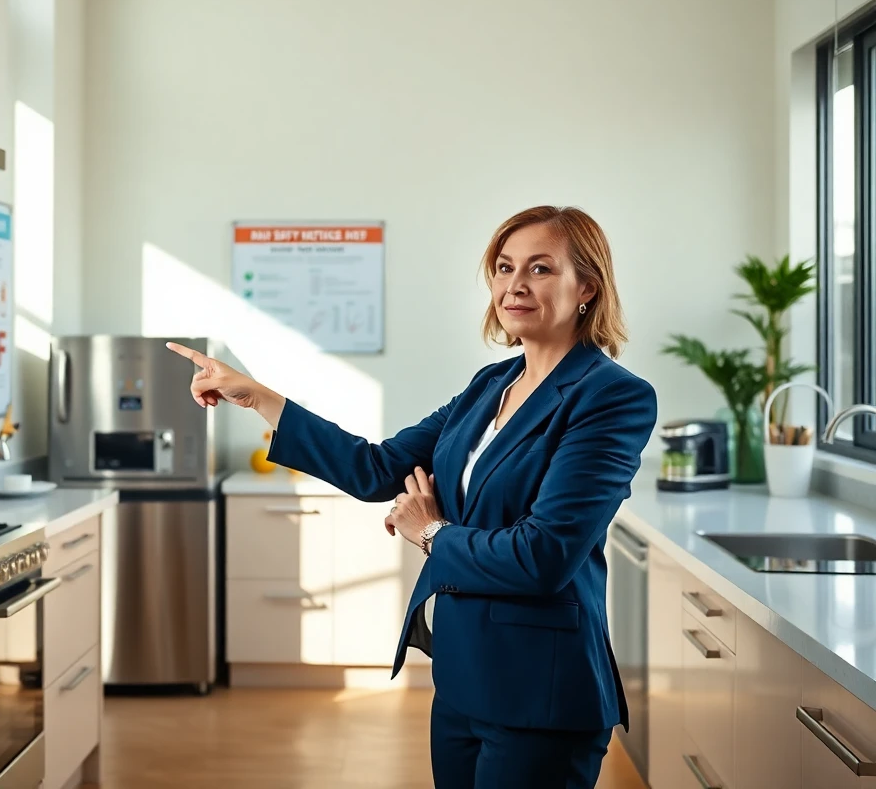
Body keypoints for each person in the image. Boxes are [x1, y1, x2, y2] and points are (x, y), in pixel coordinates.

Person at [167, 205, 657, 788]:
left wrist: (430, 531)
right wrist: (260, 398)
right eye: (503, 268)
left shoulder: (611, 397)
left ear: (587, 287)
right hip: (459, 675)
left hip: (539, 691)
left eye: (541, 269)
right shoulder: (489, 385)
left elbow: (542, 555)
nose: (514, 285)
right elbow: (378, 469)